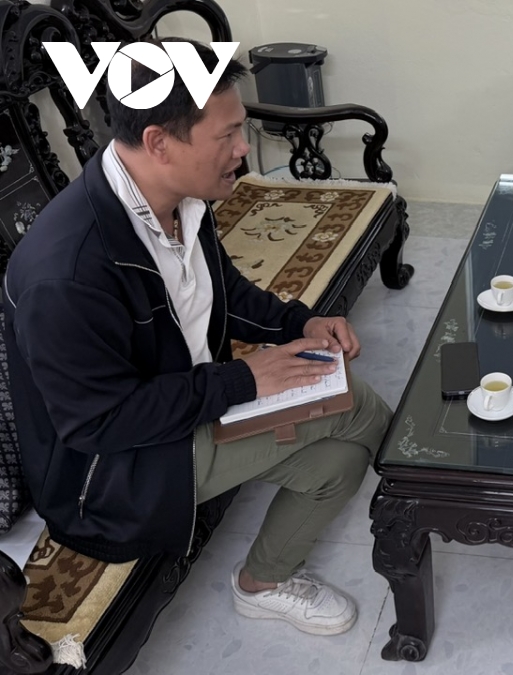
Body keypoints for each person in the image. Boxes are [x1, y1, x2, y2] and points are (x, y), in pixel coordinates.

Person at [2, 40, 392, 637]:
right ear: (159, 142)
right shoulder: (68, 274)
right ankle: (421, 500)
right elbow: (98, 424)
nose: (243, 149)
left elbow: (220, 290)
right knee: (356, 404)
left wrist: (299, 324)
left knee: (339, 460)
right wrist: (242, 381)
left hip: (181, 403)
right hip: (110, 476)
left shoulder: (179, 196)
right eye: (228, 135)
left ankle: (262, 583)